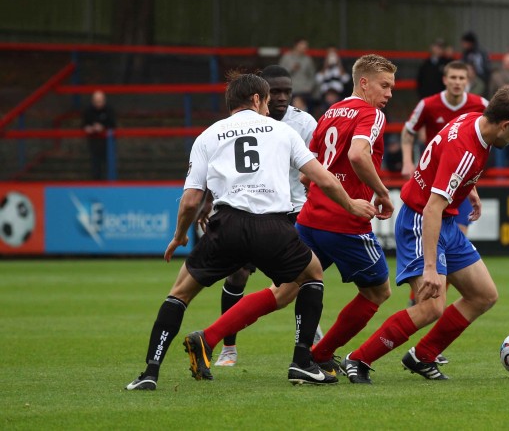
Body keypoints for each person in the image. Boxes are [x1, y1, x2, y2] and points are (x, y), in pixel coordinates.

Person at [124, 72, 375, 391]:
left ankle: (150, 372)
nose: (270, 108)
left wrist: (179, 236)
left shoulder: (208, 135)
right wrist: (352, 205)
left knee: (179, 293)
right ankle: (301, 362)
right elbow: (322, 178)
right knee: (312, 275)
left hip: (227, 225)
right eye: (268, 100)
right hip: (273, 225)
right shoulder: (282, 132)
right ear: (256, 99)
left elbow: (190, 201)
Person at [340, 85, 509, 384]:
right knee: (431, 305)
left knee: (483, 295)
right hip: (422, 219)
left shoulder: (473, 119)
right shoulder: (467, 150)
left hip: (444, 220)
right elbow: (433, 207)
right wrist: (431, 269)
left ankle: (423, 355)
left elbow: (444, 163)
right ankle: (358, 359)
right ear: (505, 124)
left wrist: (468, 189)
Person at [296, 53, 397, 376]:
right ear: (363, 83)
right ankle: (321, 353)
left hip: (310, 218)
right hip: (344, 223)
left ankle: (211, 337)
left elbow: (305, 175)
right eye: (385, 85)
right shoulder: (371, 114)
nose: (389, 93)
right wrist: (381, 193)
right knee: (378, 291)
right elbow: (357, 154)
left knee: (284, 290)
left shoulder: (330, 111)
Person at [212, 65, 318, 369]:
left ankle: (308, 342)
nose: (283, 97)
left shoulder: (304, 123)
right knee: (238, 274)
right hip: (252, 208)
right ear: (260, 95)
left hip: (295, 210)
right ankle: (228, 347)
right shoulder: (240, 125)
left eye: (288, 91)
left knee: (304, 278)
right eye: (277, 91)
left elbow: (317, 165)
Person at [401, 60, 489, 234]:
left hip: (461, 176)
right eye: (453, 77)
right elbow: (408, 131)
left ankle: (452, 260)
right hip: (433, 175)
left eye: (461, 78)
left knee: (460, 231)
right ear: (445, 80)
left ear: (467, 81)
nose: (457, 82)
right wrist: (407, 161)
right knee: (431, 225)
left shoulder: (481, 105)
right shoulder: (428, 105)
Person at [81, 90, 116, 180]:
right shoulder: (88, 110)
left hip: (107, 142)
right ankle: (96, 181)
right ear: (93, 101)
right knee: (95, 162)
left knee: (108, 161)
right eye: (96, 101)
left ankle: (110, 181)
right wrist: (88, 128)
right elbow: (83, 124)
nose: (98, 104)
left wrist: (103, 127)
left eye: (100, 101)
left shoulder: (109, 110)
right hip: (93, 141)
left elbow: (113, 124)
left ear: (104, 100)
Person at [279, 37, 316, 109]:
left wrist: (309, 87)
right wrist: (291, 69)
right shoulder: (286, 58)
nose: (305, 47)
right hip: (290, 90)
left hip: (305, 90)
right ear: (296, 45)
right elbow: (280, 74)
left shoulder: (308, 59)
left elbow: (312, 76)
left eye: (306, 45)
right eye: (302, 44)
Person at [314, 46, 351, 115]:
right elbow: (318, 78)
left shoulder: (341, 66)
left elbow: (346, 79)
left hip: (339, 94)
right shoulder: (322, 65)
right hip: (324, 94)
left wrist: (339, 63)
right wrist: (326, 65)